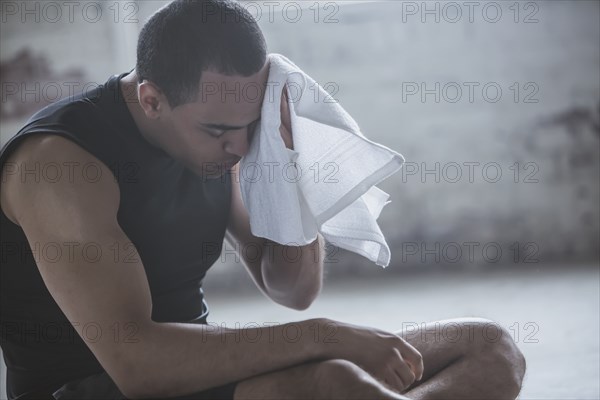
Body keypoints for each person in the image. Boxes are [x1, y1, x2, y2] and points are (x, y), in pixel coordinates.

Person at [0, 0, 526, 399]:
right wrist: (327, 337)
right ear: (152, 99)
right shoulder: (61, 164)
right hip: (90, 385)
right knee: (336, 381)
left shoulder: (215, 140)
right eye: (220, 131)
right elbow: (136, 364)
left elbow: (292, 287)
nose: (239, 148)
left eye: (251, 128)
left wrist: (288, 165)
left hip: (200, 375)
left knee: (489, 347)